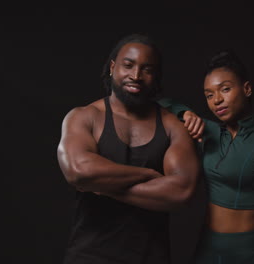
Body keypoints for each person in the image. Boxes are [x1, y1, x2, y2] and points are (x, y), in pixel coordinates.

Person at [57, 33, 200, 264]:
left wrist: (106, 187)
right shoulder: (85, 117)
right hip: (88, 256)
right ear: (113, 67)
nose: (136, 75)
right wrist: (149, 175)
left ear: (156, 77)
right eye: (128, 65)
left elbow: (181, 191)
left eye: (147, 69)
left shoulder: (173, 126)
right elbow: (79, 171)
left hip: (151, 257)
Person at [158, 49, 254, 263]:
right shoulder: (208, 130)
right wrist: (186, 113)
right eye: (209, 95)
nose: (217, 100)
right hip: (208, 247)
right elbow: (160, 104)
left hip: (247, 252)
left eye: (225, 89)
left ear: (246, 89)